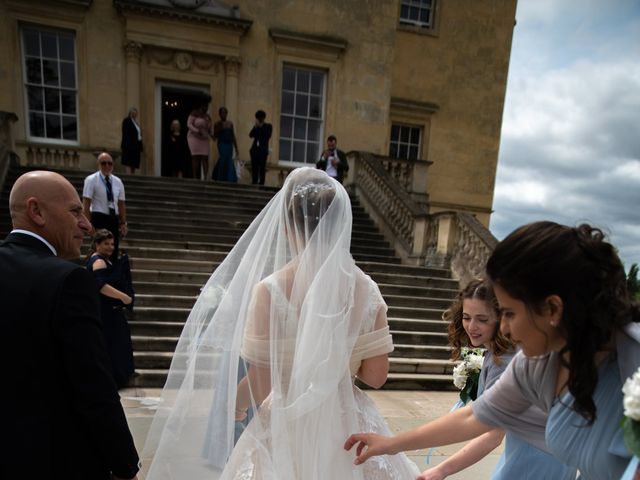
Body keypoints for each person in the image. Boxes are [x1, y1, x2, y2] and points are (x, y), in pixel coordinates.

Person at [142, 167, 420, 479]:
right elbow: (376, 375)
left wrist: (237, 406)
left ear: (287, 227)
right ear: (339, 224)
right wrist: (335, 363)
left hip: (286, 422)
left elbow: (261, 381)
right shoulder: (366, 289)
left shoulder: (270, 291)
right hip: (346, 422)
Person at [345, 221, 640, 480]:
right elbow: (475, 417)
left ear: (552, 308)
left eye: (509, 313)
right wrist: (388, 444)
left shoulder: (632, 361)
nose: (506, 329)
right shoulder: (535, 365)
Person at [0, 170, 140, 479]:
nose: (86, 224)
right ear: (36, 211)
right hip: (54, 459)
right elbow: (94, 386)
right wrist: (126, 466)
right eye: (75, 211)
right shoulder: (68, 280)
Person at [418, 279, 575, 480]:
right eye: (466, 317)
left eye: (482, 319)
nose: (471, 326)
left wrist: (441, 470)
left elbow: (492, 435)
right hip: (533, 452)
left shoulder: (506, 361)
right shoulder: (501, 352)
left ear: (501, 317)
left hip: (535, 459)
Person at [87, 229, 136, 389]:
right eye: (106, 244)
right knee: (112, 346)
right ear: (97, 244)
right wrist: (123, 297)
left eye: (112, 244)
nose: (110, 247)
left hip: (109, 312)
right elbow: (100, 285)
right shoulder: (98, 261)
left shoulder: (104, 260)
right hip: (106, 312)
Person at [83, 152, 127, 261]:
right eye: (103, 163)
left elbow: (121, 204)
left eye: (110, 163)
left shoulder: (118, 182)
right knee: (99, 250)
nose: (107, 166)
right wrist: (88, 223)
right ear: (98, 164)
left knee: (113, 250)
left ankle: (112, 275)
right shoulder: (91, 179)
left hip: (113, 218)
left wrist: (123, 222)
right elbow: (86, 202)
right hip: (99, 217)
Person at [187, 95, 213, 180]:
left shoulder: (208, 116)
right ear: (201, 105)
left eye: (207, 106)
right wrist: (197, 131)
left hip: (204, 138)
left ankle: (205, 177)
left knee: (205, 157)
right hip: (194, 137)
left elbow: (210, 128)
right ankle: (195, 177)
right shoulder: (194, 113)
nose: (206, 108)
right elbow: (189, 124)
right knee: (196, 157)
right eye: (204, 106)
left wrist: (211, 132)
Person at [212, 106, 239, 182]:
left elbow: (233, 135)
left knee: (229, 160)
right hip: (222, 144)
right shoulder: (217, 124)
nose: (223, 115)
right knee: (223, 158)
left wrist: (236, 147)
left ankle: (230, 178)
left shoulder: (230, 123)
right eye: (222, 113)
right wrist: (219, 128)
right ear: (219, 114)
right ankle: (220, 177)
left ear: (227, 114)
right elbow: (215, 136)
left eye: (225, 113)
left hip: (229, 144)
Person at [248, 109, 272, 185]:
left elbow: (267, 135)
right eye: (258, 118)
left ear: (264, 118)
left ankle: (261, 183)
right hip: (255, 150)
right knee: (254, 166)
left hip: (263, 150)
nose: (260, 119)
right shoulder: (256, 127)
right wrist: (255, 127)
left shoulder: (268, 126)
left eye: (261, 117)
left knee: (262, 167)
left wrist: (261, 127)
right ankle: (254, 181)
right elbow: (251, 135)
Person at [121, 107, 142, 174]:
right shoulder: (127, 121)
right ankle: (129, 177)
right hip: (129, 146)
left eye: (136, 113)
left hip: (136, 146)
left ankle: (132, 176)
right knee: (128, 162)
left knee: (134, 163)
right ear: (130, 113)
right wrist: (126, 145)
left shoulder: (136, 123)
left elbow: (139, 134)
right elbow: (126, 133)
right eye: (133, 113)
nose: (135, 115)